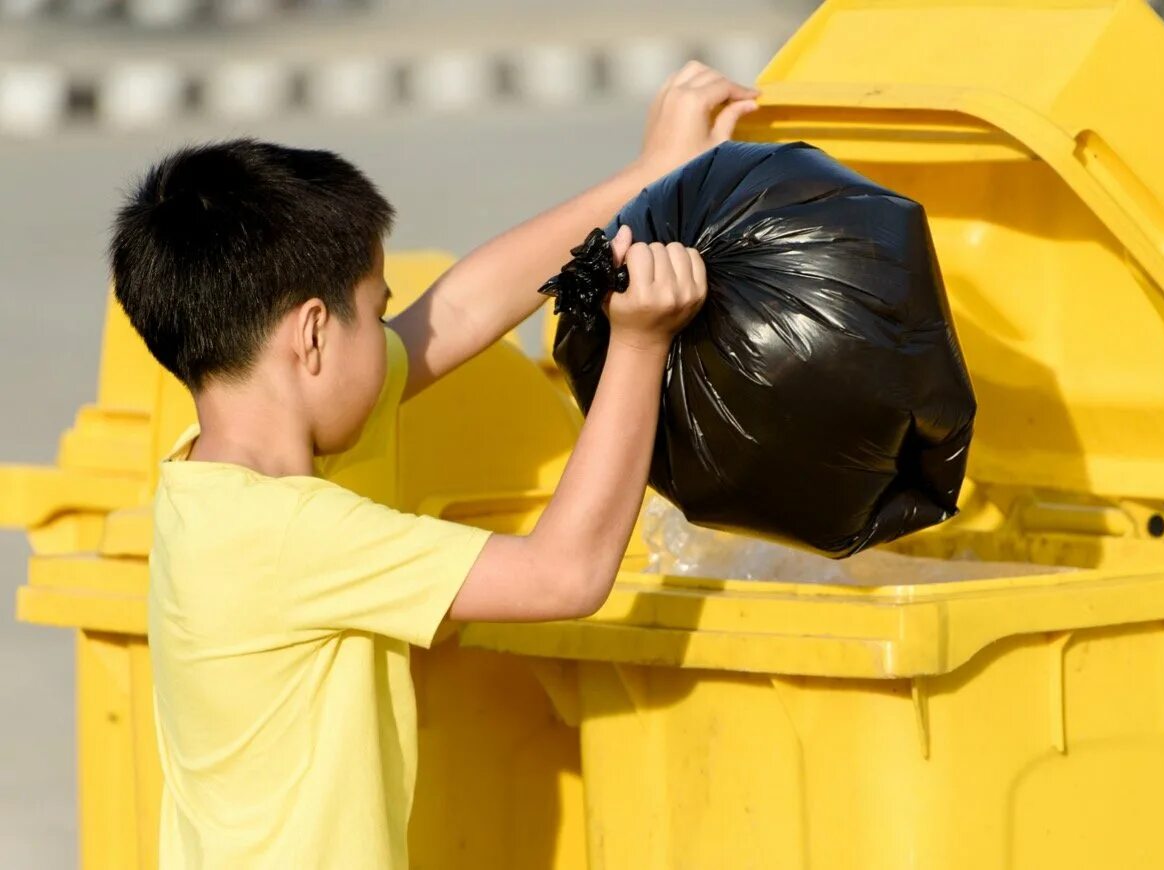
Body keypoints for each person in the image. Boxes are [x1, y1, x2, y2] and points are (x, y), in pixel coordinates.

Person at [109, 62, 757, 868]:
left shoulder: (228, 470)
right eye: (377, 309)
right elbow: (566, 575)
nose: (391, 338)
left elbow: (461, 309)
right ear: (311, 336)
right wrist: (640, 344)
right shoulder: (286, 532)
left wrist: (644, 177)